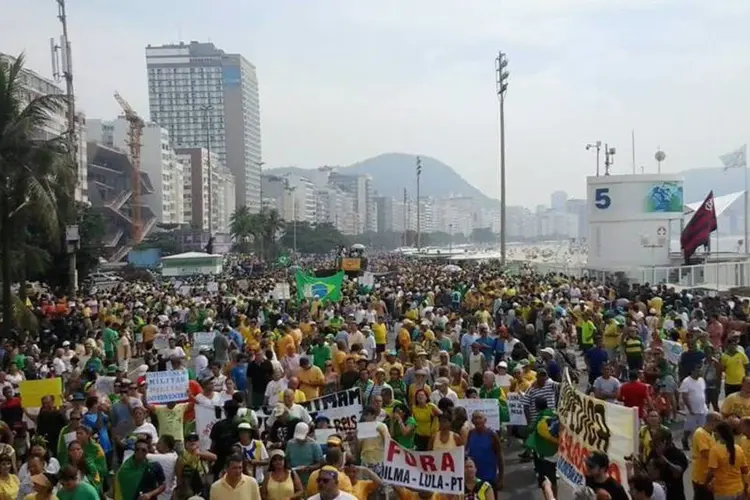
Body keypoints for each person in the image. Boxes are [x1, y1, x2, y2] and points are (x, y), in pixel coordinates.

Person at [706, 421, 748, 499]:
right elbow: (745, 470)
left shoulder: (715, 450)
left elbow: (711, 472)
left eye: (715, 432)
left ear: (719, 434)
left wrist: (706, 482)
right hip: (739, 490)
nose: (714, 434)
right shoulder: (738, 449)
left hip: (723, 492)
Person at [465, 411, 504, 494]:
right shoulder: (471, 433)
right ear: (472, 421)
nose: (478, 420)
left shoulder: (492, 434)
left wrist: (500, 478)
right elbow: (467, 452)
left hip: (489, 477)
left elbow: (500, 456)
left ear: (485, 420)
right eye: (475, 418)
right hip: (475, 479)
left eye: (480, 418)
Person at [691, 412, 719, 500]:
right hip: (702, 477)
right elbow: (706, 454)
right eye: (720, 422)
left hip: (710, 476)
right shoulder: (700, 434)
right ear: (713, 421)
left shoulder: (712, 434)